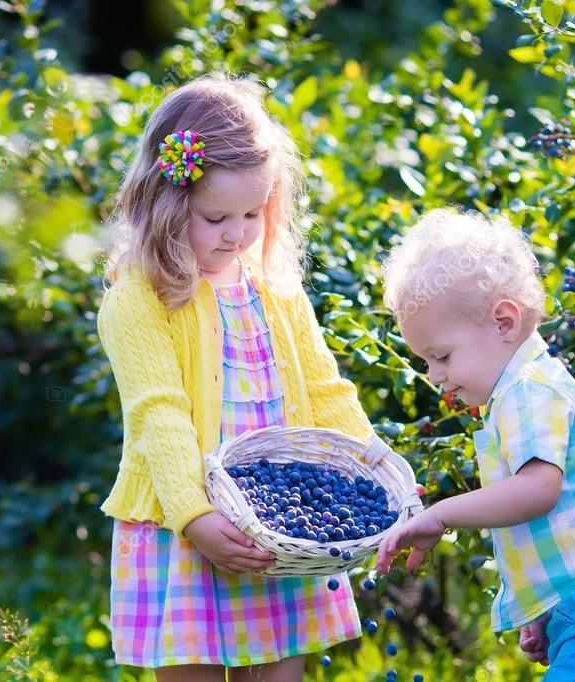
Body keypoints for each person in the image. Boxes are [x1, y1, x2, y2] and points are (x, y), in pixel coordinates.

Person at [97, 73, 375, 681]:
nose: (237, 233)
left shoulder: (273, 288)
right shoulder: (142, 298)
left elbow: (326, 389)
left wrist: (374, 466)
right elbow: (158, 414)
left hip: (276, 523)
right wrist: (195, 517)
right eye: (215, 216)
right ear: (166, 206)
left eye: (253, 212)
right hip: (186, 524)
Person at [376, 208, 575, 680]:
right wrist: (545, 609)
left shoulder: (529, 390)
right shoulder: (515, 395)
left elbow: (538, 491)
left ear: (503, 323)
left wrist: (442, 512)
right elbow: (561, 524)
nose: (434, 376)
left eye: (442, 356)